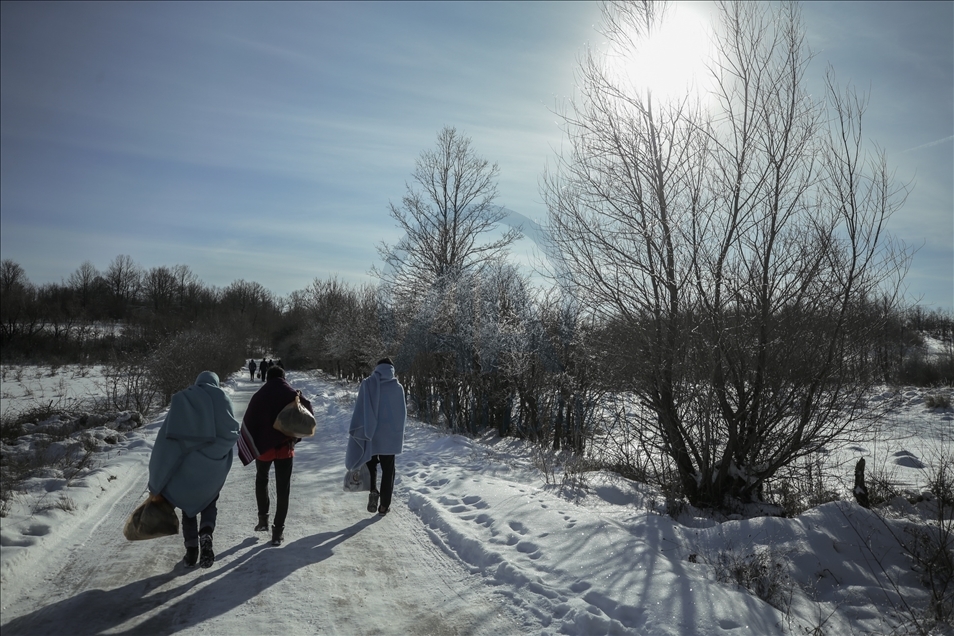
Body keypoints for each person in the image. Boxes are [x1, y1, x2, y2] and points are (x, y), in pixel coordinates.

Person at [148, 371, 240, 568]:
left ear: (197, 382)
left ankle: (191, 551)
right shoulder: (222, 398)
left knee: (188, 507)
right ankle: (206, 533)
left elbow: (167, 439)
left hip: (187, 467)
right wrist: (217, 451)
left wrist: (157, 481)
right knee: (209, 502)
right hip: (212, 468)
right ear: (215, 383)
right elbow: (232, 433)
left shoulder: (184, 398)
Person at [237, 365, 313, 546]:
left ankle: (263, 520)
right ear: (283, 377)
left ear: (268, 378)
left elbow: (249, 421)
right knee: (283, 488)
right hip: (285, 449)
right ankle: (278, 532)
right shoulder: (292, 393)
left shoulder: (259, 396)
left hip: (264, 450)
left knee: (261, 480)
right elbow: (307, 411)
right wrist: (294, 438)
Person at [346, 357, 407, 516]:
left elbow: (360, 409)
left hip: (370, 434)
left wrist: (360, 428)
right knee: (388, 470)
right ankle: (384, 506)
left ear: (377, 368)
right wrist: (398, 433)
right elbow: (401, 414)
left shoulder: (368, 384)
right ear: (392, 370)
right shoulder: (397, 387)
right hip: (390, 436)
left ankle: (373, 491)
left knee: (371, 465)